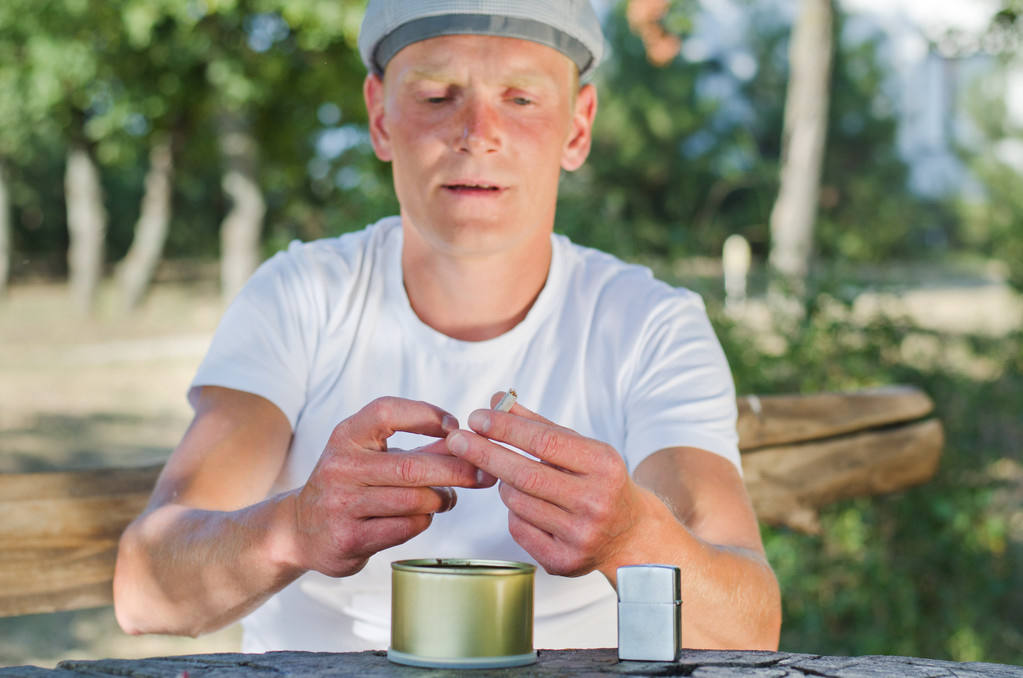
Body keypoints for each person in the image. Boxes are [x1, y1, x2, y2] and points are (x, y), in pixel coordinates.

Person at [113, 0, 781, 652]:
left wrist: (633, 539)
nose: (476, 131)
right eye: (436, 95)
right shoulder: (300, 296)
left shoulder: (650, 326)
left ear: (577, 128)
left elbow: (747, 628)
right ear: (379, 117)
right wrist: (295, 526)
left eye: (520, 99)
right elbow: (144, 590)